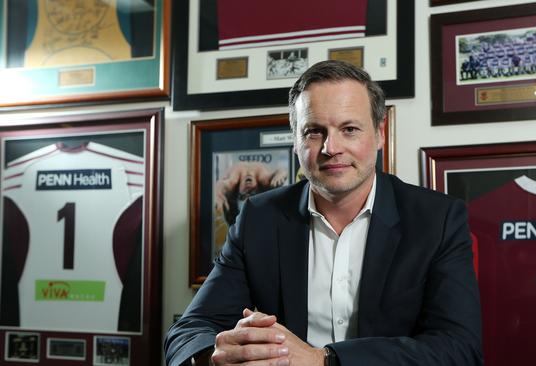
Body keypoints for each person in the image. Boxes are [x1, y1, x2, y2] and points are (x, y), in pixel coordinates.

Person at [164, 60, 482, 366]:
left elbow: (459, 349)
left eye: (349, 129)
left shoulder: (437, 219)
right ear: (295, 140)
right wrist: (218, 357)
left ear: (380, 133)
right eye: (314, 131)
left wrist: (325, 360)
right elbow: (188, 333)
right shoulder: (258, 218)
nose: (331, 147)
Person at [214, 161, 288, 225]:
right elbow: (282, 171)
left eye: (243, 196)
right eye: (252, 194)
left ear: (236, 195)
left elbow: (220, 185)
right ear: (259, 192)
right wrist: (280, 175)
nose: (248, 189)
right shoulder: (264, 181)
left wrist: (218, 195)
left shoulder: (233, 183)